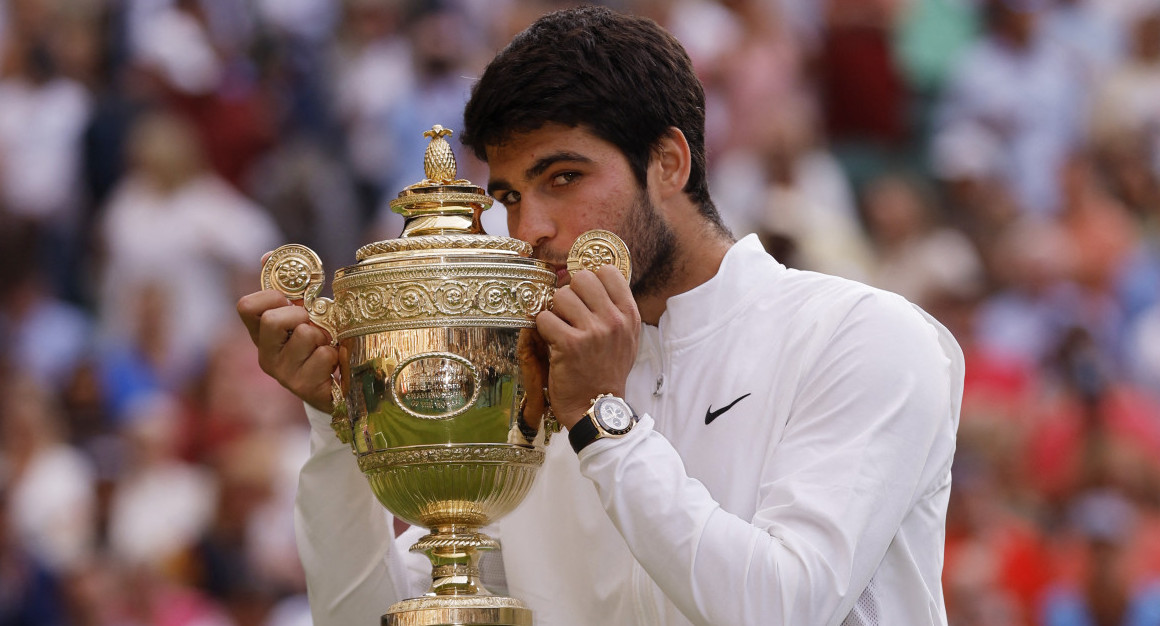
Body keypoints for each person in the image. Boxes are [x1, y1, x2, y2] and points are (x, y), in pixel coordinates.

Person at [237, 7, 964, 625]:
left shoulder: (865, 336)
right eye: (510, 196)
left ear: (670, 163)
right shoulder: (528, 385)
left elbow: (782, 605)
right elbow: (377, 616)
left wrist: (598, 420)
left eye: (564, 177)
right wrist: (339, 429)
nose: (529, 231)